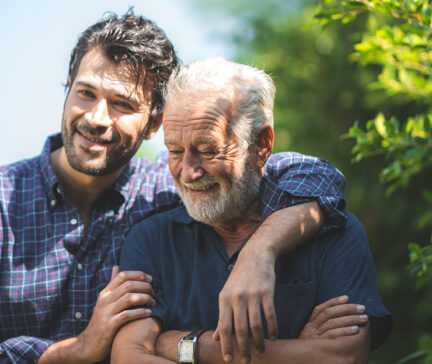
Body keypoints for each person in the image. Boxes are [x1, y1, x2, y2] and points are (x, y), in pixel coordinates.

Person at [0, 11, 349, 364]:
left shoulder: (173, 187)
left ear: (154, 124)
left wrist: (260, 252)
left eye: (123, 104)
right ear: (66, 90)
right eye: (85, 93)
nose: (97, 118)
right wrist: (75, 350)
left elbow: (316, 176)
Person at [113, 58, 392, 364]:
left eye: (208, 150)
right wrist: (296, 351)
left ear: (261, 144)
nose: (188, 172)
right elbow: (129, 358)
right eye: (175, 151)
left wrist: (183, 345)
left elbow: (343, 358)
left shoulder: (334, 234)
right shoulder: (152, 240)